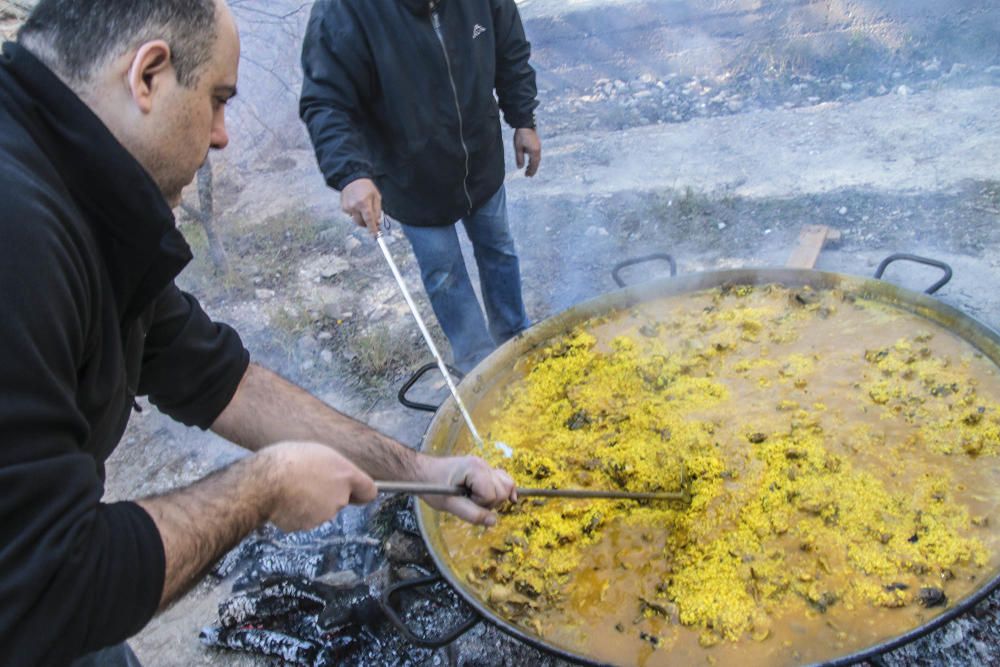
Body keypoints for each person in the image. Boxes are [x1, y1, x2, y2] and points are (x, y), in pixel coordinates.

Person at [0, 1, 516, 665]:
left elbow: (220, 378)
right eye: (217, 100)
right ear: (148, 76)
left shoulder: (74, 183)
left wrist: (423, 472)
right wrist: (262, 487)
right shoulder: (17, 228)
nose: (222, 136)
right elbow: (43, 586)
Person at [300, 0, 542, 372]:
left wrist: (523, 118)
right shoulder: (344, 9)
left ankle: (514, 338)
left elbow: (509, 48)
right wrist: (351, 173)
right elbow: (326, 100)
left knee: (499, 250)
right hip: (408, 176)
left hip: (480, 158)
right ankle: (478, 366)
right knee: (444, 275)